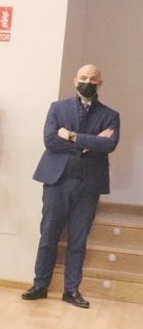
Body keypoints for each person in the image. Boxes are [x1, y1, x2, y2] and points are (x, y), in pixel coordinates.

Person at [24, 64, 120, 308]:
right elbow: (50, 140)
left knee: (78, 239)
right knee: (48, 235)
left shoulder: (110, 115)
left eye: (93, 78)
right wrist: (91, 143)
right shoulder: (58, 108)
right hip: (57, 180)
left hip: (89, 184)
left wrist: (73, 136)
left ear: (100, 82)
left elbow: (109, 146)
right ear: (75, 79)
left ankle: (71, 290)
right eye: (83, 77)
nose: (88, 81)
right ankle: (40, 285)